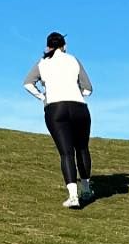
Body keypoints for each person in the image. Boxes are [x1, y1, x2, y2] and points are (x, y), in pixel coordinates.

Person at [22, 32, 94, 207]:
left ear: (48, 47)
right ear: (64, 46)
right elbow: (88, 89)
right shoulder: (73, 59)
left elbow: (27, 83)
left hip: (56, 108)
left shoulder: (42, 63)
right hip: (79, 107)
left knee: (66, 153)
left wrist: (42, 96)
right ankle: (86, 189)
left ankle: (73, 196)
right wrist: (77, 93)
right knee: (82, 148)